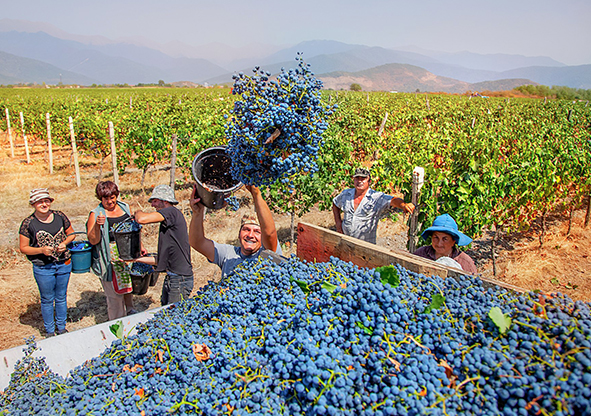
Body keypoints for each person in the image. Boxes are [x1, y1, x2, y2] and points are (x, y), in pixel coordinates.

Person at [189, 184, 281, 279]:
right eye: (246, 229)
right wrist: (197, 213)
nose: (250, 235)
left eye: (257, 232)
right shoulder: (228, 253)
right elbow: (197, 242)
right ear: (239, 234)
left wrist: (256, 194)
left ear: (263, 238)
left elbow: (270, 234)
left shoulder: (267, 255)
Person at [19, 188, 76, 337]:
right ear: (33, 204)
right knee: (47, 299)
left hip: (63, 263)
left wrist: (65, 243)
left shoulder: (59, 216)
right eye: (40, 202)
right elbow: (23, 248)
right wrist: (41, 250)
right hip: (43, 267)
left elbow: (72, 234)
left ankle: (62, 327)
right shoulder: (28, 223)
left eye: (46, 201)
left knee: (61, 297)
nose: (44, 204)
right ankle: (50, 331)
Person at [87, 181, 144, 320]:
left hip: (126, 253)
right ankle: (117, 321)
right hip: (109, 256)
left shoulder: (124, 207)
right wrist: (97, 225)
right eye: (106, 198)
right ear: (100, 198)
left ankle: (130, 311)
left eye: (112, 197)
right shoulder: (96, 214)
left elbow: (132, 229)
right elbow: (93, 240)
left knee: (127, 285)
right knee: (114, 292)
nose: (110, 201)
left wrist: (139, 247)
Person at [134, 185, 193, 306]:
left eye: (155, 201)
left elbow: (141, 219)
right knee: (165, 314)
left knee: (174, 319)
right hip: (172, 278)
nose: (152, 205)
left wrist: (136, 212)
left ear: (165, 201)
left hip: (180, 280)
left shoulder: (171, 212)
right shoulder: (168, 223)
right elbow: (160, 260)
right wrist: (135, 259)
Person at [332, 167, 415, 244]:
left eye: (363, 179)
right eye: (357, 178)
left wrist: (403, 205)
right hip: (345, 241)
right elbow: (335, 203)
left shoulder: (376, 197)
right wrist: (338, 225)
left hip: (365, 245)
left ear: (369, 181)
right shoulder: (346, 194)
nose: (360, 181)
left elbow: (392, 200)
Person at [413, 213, 477, 274]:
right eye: (436, 237)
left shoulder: (465, 262)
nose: (439, 243)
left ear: (453, 241)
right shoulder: (421, 254)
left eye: (445, 239)